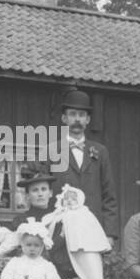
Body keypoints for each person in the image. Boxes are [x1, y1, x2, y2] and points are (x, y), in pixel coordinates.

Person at [53, 88, 119, 242]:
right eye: (72, 114)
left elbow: (109, 196)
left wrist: (109, 233)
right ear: (64, 118)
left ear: (88, 120)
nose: (77, 119)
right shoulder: (51, 151)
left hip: (93, 228)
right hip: (61, 230)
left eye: (82, 115)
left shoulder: (100, 152)